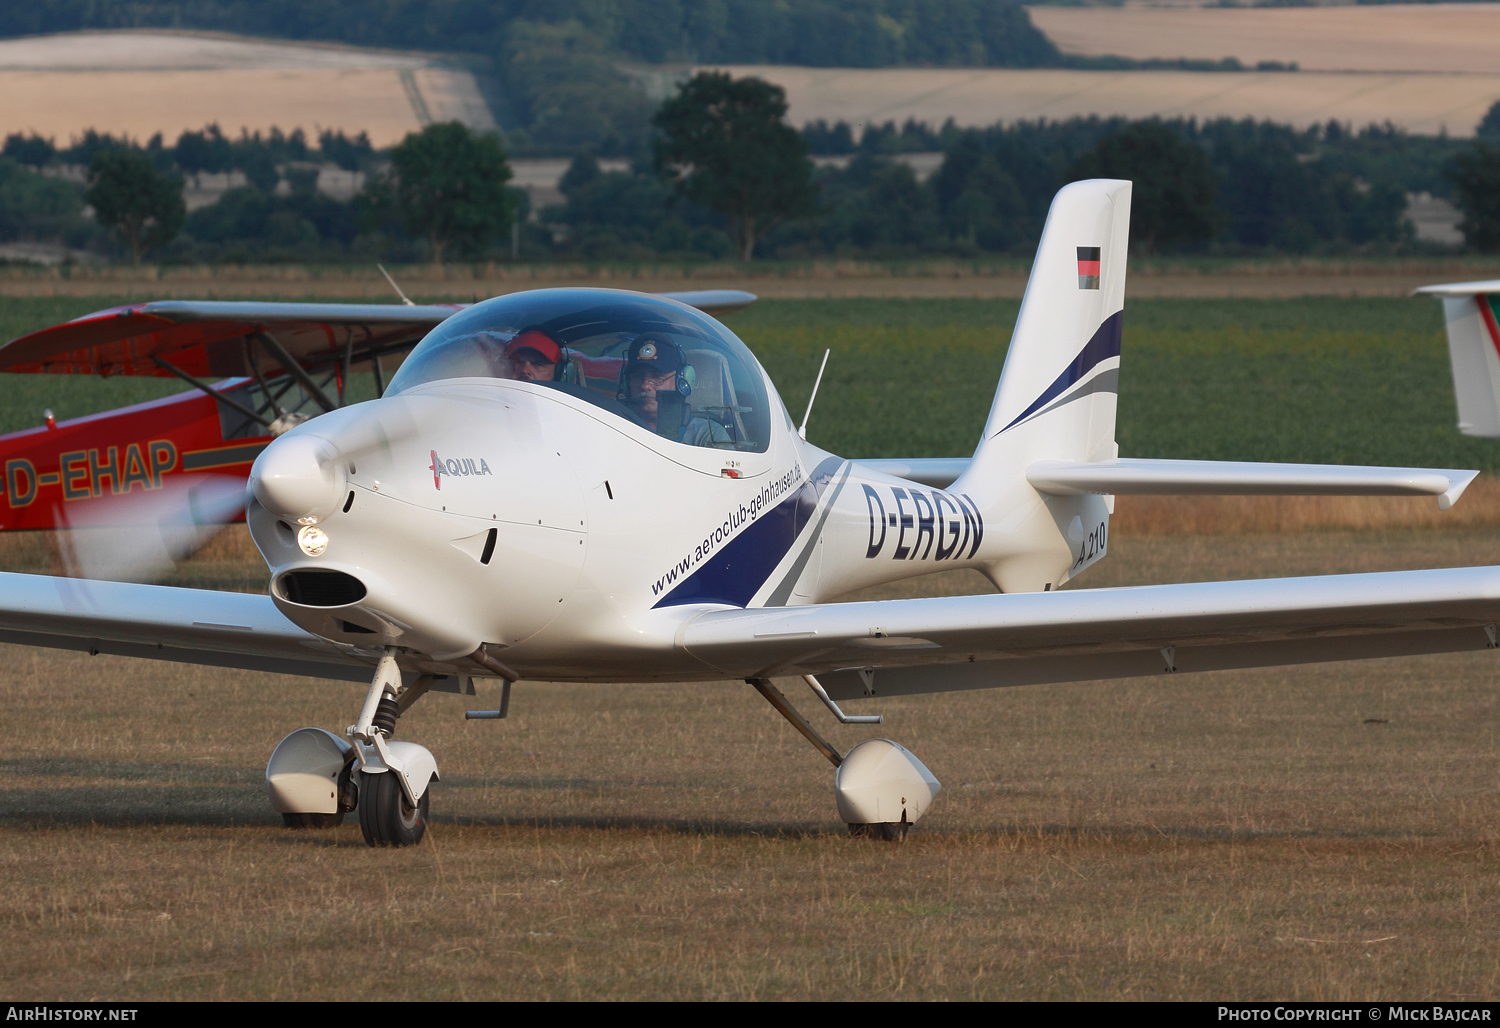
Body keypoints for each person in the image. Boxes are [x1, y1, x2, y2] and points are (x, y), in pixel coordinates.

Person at [620, 333, 730, 448]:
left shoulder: (707, 435)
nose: (645, 385)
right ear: (626, 383)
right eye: (637, 377)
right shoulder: (614, 427)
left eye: (657, 377)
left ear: (682, 382)